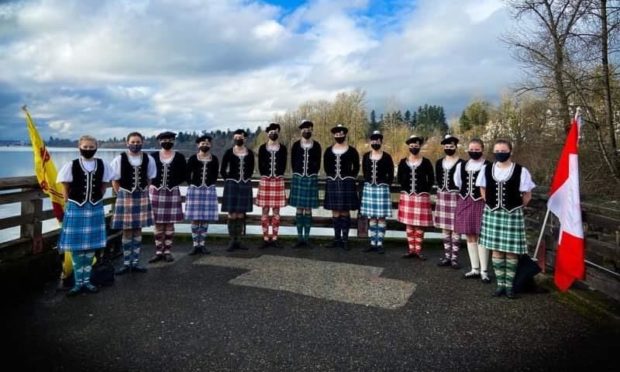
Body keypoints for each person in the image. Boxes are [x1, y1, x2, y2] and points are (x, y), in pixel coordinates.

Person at [476, 139, 536, 299]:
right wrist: (489, 203)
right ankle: (500, 285)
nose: (500, 153)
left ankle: (509, 286)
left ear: (510, 151)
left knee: (511, 252)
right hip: (493, 213)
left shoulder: (521, 170)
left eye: (503, 151)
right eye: (497, 151)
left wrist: (516, 206)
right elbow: (482, 188)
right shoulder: (487, 169)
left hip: (512, 214)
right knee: (495, 250)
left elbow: (527, 194)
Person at [57, 135, 114, 296]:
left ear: (96, 147)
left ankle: (87, 281)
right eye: (85, 147)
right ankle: (77, 283)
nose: (88, 149)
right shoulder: (71, 165)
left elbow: (105, 183)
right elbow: (65, 185)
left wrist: (99, 196)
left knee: (91, 246)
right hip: (76, 207)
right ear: (79, 147)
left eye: (91, 147)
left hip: (95, 206)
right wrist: (68, 201)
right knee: (76, 247)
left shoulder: (103, 164)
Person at [110, 132, 156, 274]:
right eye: (133, 142)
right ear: (127, 142)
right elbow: (114, 180)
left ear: (143, 142)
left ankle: (135, 262)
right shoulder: (119, 159)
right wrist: (121, 193)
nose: (135, 144)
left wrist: (143, 190)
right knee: (127, 229)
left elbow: (150, 178)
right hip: (125, 195)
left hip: (141, 194)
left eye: (138, 142)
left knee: (138, 229)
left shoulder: (148, 158)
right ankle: (126, 263)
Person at [454, 138, 492, 283]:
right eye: (471, 149)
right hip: (465, 201)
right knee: (469, 235)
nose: (474, 152)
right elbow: (458, 182)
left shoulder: (488, 166)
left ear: (482, 149)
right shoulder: (462, 165)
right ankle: (474, 269)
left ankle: (484, 270)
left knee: (481, 235)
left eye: (477, 149)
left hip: (481, 202)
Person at [148, 131, 187, 263]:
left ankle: (168, 251)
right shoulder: (153, 156)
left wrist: (174, 183)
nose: (167, 142)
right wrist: (153, 184)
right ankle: (159, 251)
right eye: (164, 140)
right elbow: (148, 173)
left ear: (173, 141)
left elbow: (184, 174)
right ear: (159, 141)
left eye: (169, 139)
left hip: (172, 192)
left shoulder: (180, 157)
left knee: (169, 224)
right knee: (158, 224)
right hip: (156, 192)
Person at [397, 135, 434, 260]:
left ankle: (418, 250)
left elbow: (431, 179)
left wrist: (425, 189)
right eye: (412, 146)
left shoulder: (426, 162)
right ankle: (410, 250)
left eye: (416, 146)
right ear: (408, 147)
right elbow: (400, 177)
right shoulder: (403, 162)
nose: (414, 148)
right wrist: (405, 187)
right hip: (407, 195)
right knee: (409, 224)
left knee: (419, 225)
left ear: (420, 146)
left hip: (421, 196)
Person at [323, 124, 360, 250]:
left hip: (347, 183)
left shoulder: (352, 150)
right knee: (335, 211)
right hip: (333, 182)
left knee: (345, 211)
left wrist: (350, 177)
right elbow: (326, 166)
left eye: (341, 133)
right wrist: (331, 176)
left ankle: (345, 240)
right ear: (334, 135)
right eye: (336, 134)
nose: (339, 136)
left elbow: (356, 166)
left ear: (345, 134)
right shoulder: (329, 150)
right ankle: (336, 239)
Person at [360, 130, 394, 254]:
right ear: (371, 142)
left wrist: (385, 184)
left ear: (381, 141)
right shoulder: (366, 156)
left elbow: (390, 173)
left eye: (377, 140)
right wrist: (369, 181)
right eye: (373, 141)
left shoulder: (386, 156)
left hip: (382, 188)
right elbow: (364, 171)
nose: (375, 142)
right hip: (369, 187)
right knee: (372, 217)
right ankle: (372, 242)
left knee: (381, 217)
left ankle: (380, 243)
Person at [289, 119, 322, 248]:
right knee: (299, 208)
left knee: (308, 209)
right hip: (298, 177)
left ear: (311, 130)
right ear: (301, 130)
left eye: (308, 129)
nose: (306, 131)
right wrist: (297, 172)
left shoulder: (317, 145)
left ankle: (306, 238)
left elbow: (318, 162)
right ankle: (299, 238)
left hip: (311, 178)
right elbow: (293, 161)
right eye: (304, 129)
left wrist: (313, 172)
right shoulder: (296, 145)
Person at [221, 129, 255, 252]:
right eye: (236, 137)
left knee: (241, 213)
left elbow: (251, 168)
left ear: (244, 138)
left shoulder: (249, 153)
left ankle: (239, 240)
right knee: (232, 213)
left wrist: (245, 178)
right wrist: (229, 179)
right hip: (232, 184)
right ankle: (232, 240)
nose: (238, 139)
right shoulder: (229, 152)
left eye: (240, 137)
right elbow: (223, 169)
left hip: (244, 184)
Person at [185, 134, 219, 255]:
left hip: (209, 190)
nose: (205, 145)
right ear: (198, 145)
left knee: (205, 219)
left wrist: (211, 184)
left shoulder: (214, 158)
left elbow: (215, 174)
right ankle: (195, 245)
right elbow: (187, 173)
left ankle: (202, 244)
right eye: (203, 144)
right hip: (195, 190)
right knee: (195, 218)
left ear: (210, 145)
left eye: (207, 144)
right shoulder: (193, 158)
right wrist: (191, 185)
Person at [435, 135, 464, 269]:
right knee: (445, 228)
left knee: (456, 228)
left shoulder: (462, 163)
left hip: (456, 196)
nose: (448, 148)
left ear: (455, 147)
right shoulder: (439, 162)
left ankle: (455, 258)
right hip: (442, 195)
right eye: (446, 147)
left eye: (451, 146)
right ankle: (447, 256)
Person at [256, 123, 287, 248]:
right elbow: (260, 165)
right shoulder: (262, 148)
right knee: (264, 210)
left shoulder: (283, 148)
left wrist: (279, 174)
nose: (273, 133)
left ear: (278, 133)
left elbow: (284, 163)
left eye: (275, 131)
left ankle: (274, 238)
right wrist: (265, 174)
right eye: (270, 131)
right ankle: (265, 238)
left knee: (276, 211)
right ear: (267, 133)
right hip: (265, 180)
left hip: (278, 180)